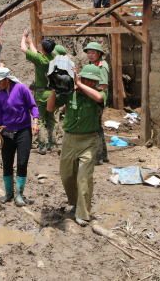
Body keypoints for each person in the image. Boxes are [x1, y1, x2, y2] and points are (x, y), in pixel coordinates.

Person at [47, 65, 105, 226]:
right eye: (86, 79)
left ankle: (83, 213)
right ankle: (74, 202)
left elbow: (99, 99)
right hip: (69, 140)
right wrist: (54, 89)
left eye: (93, 81)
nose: (90, 83)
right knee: (66, 175)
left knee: (84, 178)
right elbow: (50, 107)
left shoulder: (98, 94)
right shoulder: (68, 92)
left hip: (89, 140)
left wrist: (80, 84)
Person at [0, 67, 40, 207]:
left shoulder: (21, 89)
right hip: (6, 132)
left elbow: (33, 106)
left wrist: (35, 122)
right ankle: (9, 193)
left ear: (7, 80)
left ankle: (19, 194)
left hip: (23, 131)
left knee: (22, 162)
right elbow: (0, 116)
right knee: (7, 163)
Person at [21, 29, 57, 155]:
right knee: (51, 119)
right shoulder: (54, 59)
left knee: (40, 119)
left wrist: (24, 37)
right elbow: (36, 52)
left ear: (42, 49)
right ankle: (52, 144)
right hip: (52, 93)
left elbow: (23, 49)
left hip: (41, 94)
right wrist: (31, 43)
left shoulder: (39, 60)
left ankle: (41, 146)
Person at [84, 42, 110, 165]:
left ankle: (98, 157)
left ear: (99, 53)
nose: (90, 55)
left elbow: (103, 86)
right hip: (95, 98)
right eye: (88, 52)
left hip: (97, 99)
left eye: (93, 52)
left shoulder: (101, 66)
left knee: (95, 127)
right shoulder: (94, 64)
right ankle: (103, 155)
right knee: (97, 127)